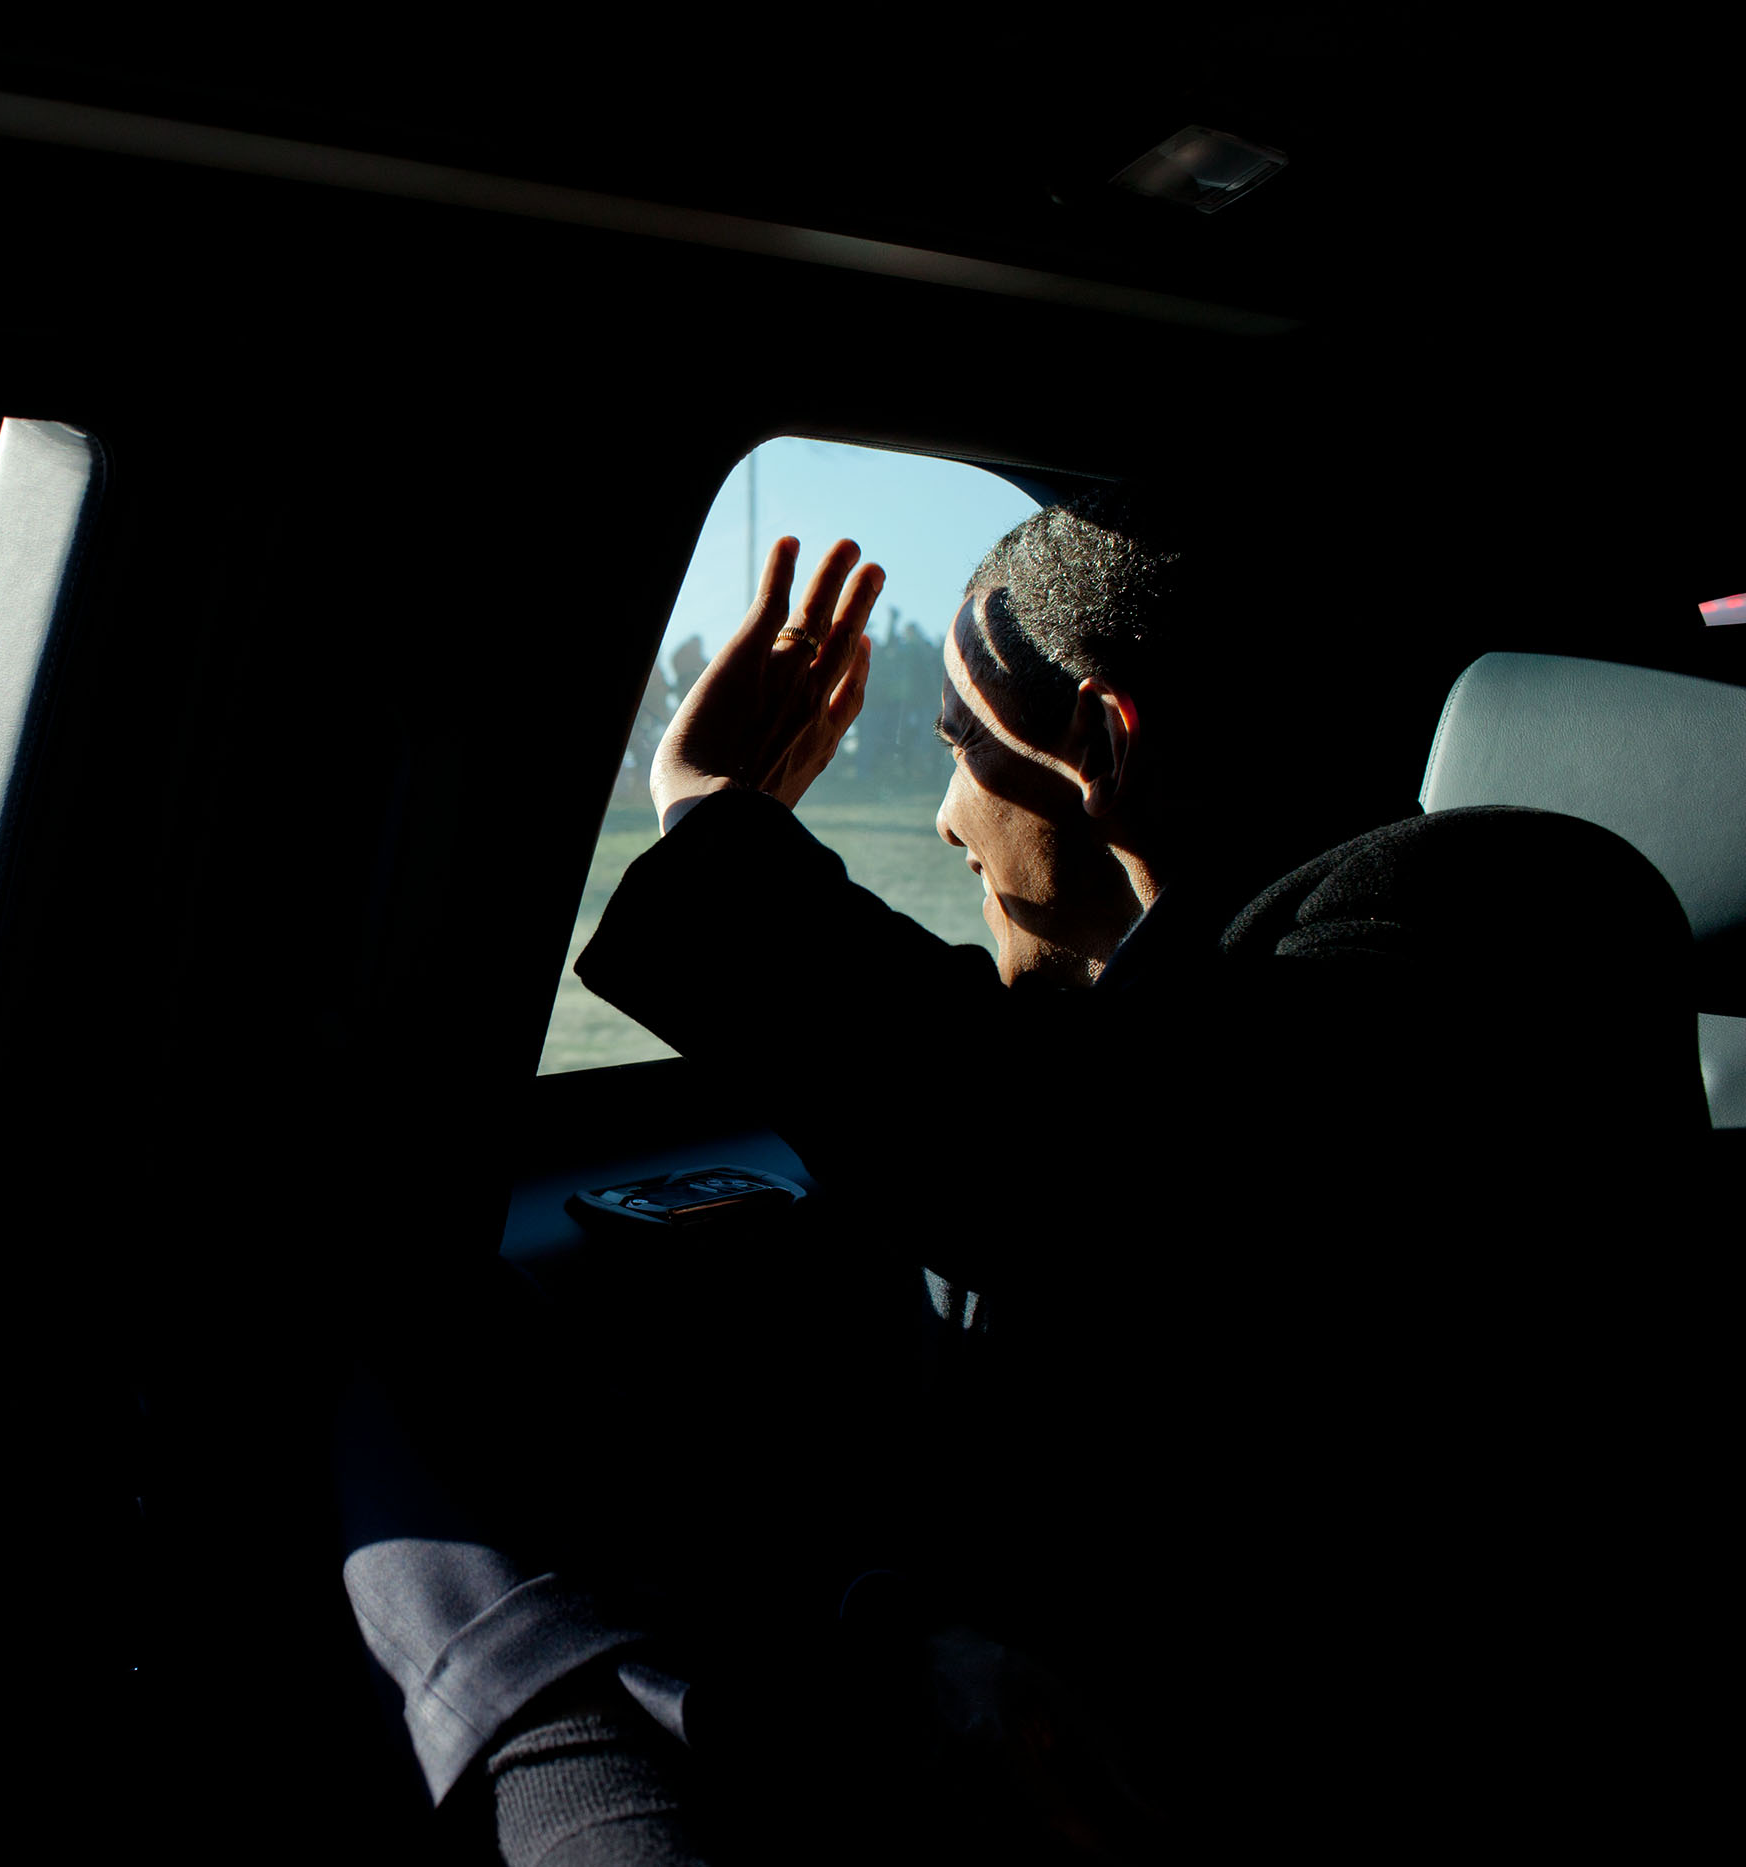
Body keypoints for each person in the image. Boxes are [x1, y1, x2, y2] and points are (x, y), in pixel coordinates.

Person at [345, 493, 1709, 1864]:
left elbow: (1131, 1180)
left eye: (957, 748)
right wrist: (906, 1628)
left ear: (1101, 738)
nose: (946, 820)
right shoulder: (1196, 1033)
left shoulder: (1505, 904)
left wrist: (710, 819)